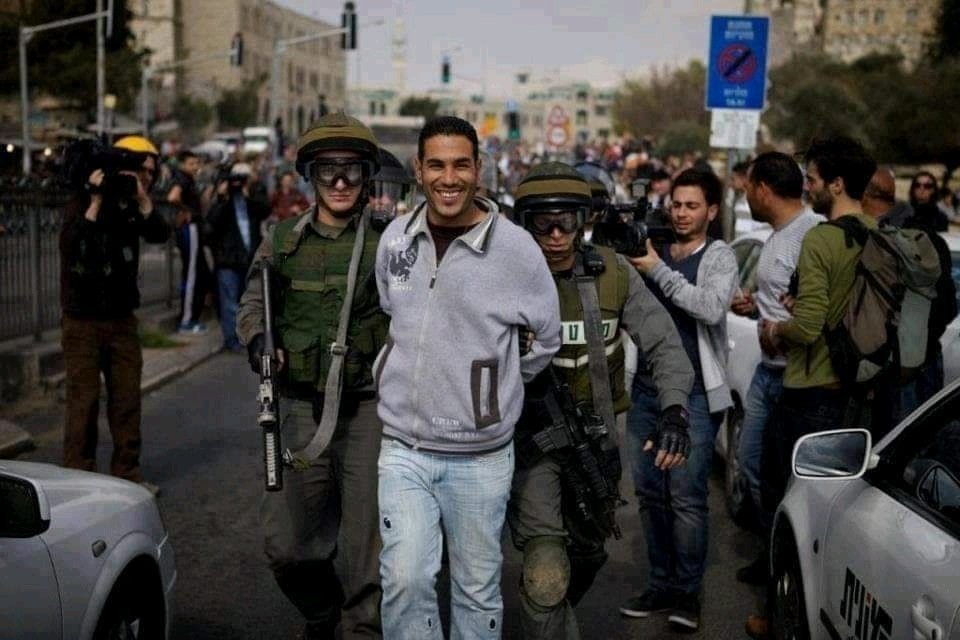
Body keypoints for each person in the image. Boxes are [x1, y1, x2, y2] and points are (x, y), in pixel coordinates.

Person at [374, 116, 561, 640]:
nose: (448, 178)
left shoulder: (517, 248)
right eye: (436, 164)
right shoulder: (396, 239)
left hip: (480, 458)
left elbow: (546, 337)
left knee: (476, 592)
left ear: (478, 170)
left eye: (460, 165)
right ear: (418, 170)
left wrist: (493, 389)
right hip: (404, 450)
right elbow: (394, 310)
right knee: (405, 581)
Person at [508, 162, 694, 640]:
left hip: (596, 441)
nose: (554, 234)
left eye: (566, 221)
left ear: (583, 220)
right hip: (530, 442)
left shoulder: (613, 274)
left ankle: (549, 610)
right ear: (523, 222)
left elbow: (663, 343)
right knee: (547, 569)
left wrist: (674, 410)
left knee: (587, 554)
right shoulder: (501, 276)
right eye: (541, 221)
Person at [236, 113, 389, 640]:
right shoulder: (282, 241)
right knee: (287, 547)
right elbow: (253, 302)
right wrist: (259, 339)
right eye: (328, 171)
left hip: (370, 410)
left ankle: (361, 630)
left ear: (367, 175)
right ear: (310, 177)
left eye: (351, 170)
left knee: (365, 548)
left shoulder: (390, 245)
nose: (341, 182)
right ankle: (323, 616)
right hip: (300, 409)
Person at [746, 136, 877, 639]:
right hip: (854, 388)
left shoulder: (821, 238)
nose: (810, 188)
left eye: (816, 180)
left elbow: (807, 325)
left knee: (789, 507)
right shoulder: (873, 232)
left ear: (837, 184)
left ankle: (779, 613)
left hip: (809, 385)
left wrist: (774, 328)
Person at [620, 168, 739, 631]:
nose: (681, 212)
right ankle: (660, 584)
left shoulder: (719, 255)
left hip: (691, 397)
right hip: (646, 392)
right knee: (649, 497)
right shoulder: (650, 247)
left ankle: (688, 595)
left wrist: (658, 272)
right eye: (676, 203)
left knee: (687, 499)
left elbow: (710, 307)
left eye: (692, 205)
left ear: (711, 211)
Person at [728, 152, 823, 585]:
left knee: (781, 475)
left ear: (763, 189)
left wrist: (780, 329)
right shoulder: (776, 235)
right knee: (750, 464)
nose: (745, 194)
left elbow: (816, 312)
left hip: (794, 377)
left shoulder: (811, 235)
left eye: (748, 186)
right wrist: (754, 305)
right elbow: (779, 297)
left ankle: (784, 571)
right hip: (767, 373)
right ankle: (770, 554)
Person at [59, 135, 170, 494]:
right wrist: (94, 200)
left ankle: (127, 473)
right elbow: (75, 247)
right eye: (142, 172)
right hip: (82, 321)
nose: (148, 178)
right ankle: (79, 476)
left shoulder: (130, 205)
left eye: (153, 174)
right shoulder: (82, 201)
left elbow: (160, 232)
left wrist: (141, 197)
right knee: (84, 400)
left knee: (126, 400)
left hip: (122, 319)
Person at [205, 163, 269, 352]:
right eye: (236, 178)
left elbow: (265, 210)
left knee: (249, 302)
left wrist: (248, 195)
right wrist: (222, 197)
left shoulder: (254, 194)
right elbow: (212, 222)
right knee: (229, 302)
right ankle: (232, 340)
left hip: (250, 258)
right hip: (228, 259)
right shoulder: (223, 200)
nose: (238, 183)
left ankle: (248, 337)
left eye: (243, 178)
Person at [167, 148, 210, 333]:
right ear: (183, 164)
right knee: (191, 274)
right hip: (189, 229)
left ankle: (191, 318)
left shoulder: (189, 180)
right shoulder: (182, 179)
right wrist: (187, 211)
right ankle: (186, 321)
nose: (195, 167)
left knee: (199, 273)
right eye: (191, 164)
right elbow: (172, 197)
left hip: (194, 228)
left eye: (197, 163)